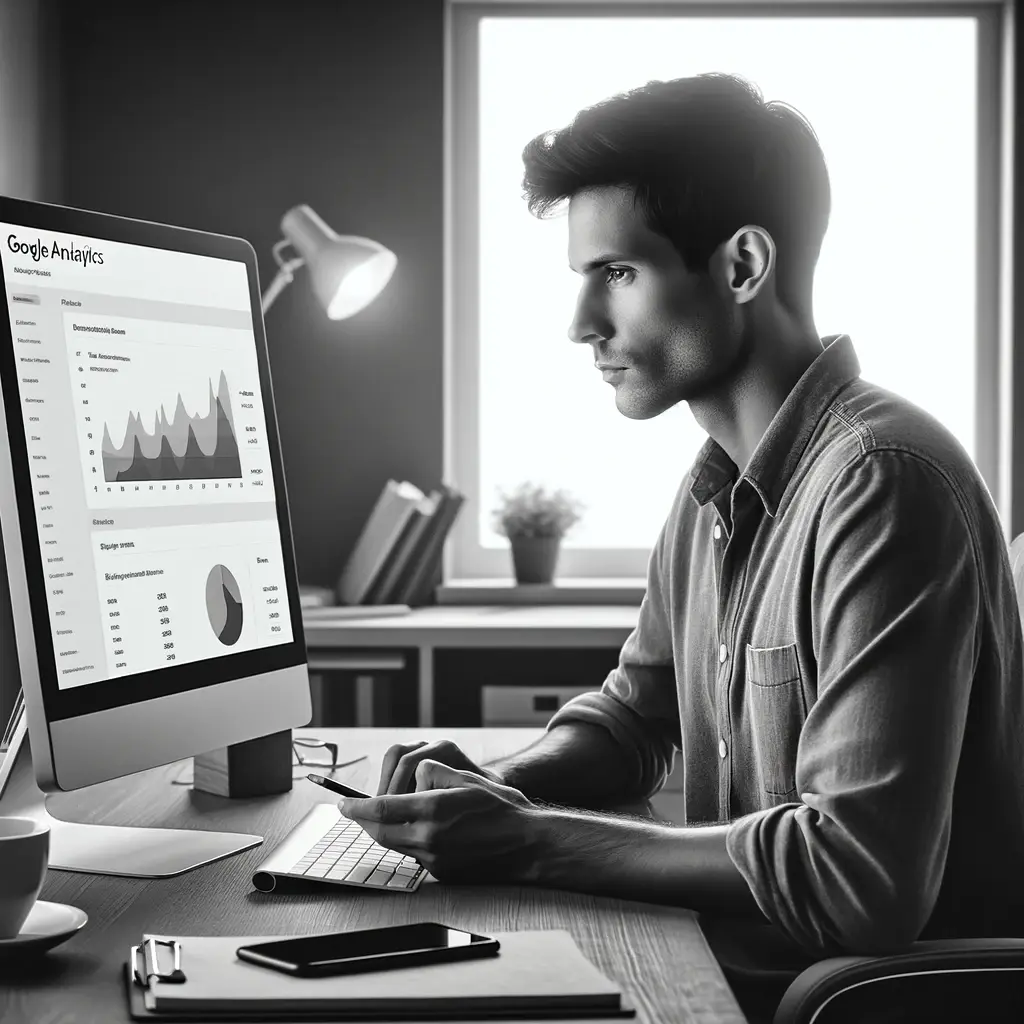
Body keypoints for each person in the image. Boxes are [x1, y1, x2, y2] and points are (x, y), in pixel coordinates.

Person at [337, 73, 1024, 1022]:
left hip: (824, 998)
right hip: (717, 962)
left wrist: (529, 841)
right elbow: (632, 717)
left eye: (615, 274)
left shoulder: (883, 481)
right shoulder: (713, 488)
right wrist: (494, 786)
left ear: (741, 265)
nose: (581, 325)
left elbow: (858, 880)